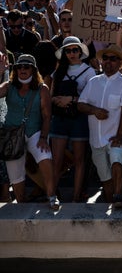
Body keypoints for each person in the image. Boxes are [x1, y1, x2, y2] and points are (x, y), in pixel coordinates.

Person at [77, 45, 122, 209]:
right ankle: (111, 202)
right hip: (96, 138)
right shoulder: (93, 82)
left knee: (117, 159)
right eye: (106, 58)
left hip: (116, 135)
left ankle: (118, 196)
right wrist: (94, 110)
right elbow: (80, 104)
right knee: (104, 175)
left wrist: (120, 136)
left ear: (119, 63)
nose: (108, 61)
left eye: (113, 58)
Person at [0, 54, 58, 208]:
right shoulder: (8, 86)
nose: (22, 69)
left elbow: (47, 116)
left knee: (45, 157)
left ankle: (52, 196)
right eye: (19, 67)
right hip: (12, 133)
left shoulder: (42, 89)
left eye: (26, 67)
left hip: (34, 132)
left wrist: (44, 138)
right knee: (15, 173)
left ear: (33, 70)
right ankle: (21, 203)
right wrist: (0, 73)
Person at [48, 37, 95, 203]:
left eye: (75, 50)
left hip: (79, 119)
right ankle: (52, 195)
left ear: (80, 51)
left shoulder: (89, 72)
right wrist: (59, 100)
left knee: (79, 160)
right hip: (60, 117)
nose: (72, 53)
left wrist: (71, 100)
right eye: (68, 50)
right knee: (57, 159)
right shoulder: (58, 71)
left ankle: (76, 196)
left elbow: (91, 98)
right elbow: (50, 96)